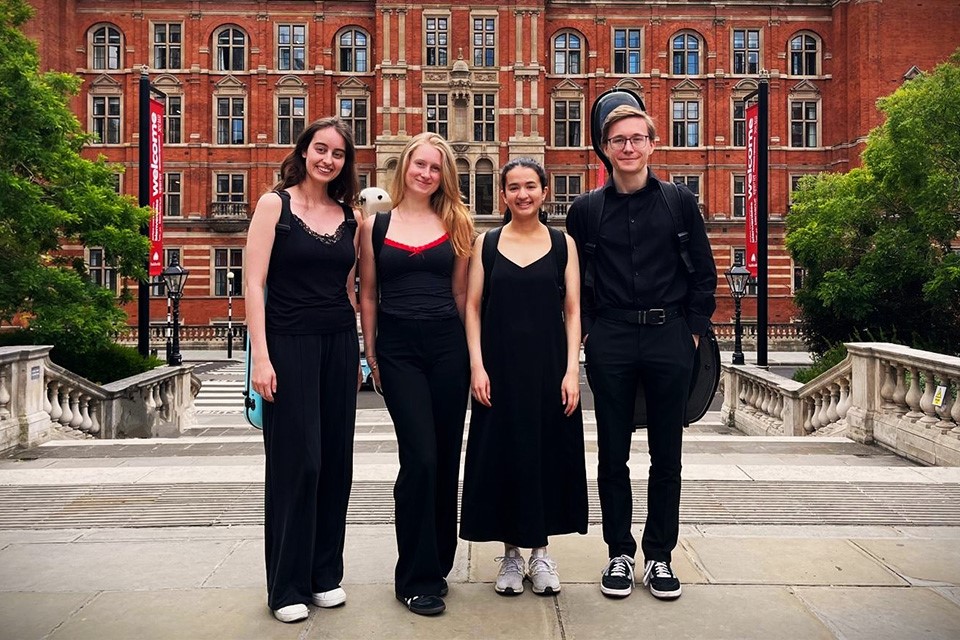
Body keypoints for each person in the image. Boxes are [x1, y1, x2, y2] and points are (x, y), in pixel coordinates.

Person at [565, 105, 717, 601]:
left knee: (666, 456)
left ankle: (659, 557)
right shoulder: (586, 210)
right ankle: (619, 553)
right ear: (605, 149)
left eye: (637, 139)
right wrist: (588, 333)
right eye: (618, 140)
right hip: (611, 338)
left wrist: (690, 334)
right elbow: (576, 285)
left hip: (668, 335)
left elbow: (704, 274)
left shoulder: (679, 202)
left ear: (653, 143)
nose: (628, 148)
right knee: (612, 455)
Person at [245, 117, 361, 623]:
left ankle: (323, 575)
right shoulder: (276, 205)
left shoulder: (350, 215)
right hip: (289, 344)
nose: (327, 160)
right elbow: (253, 284)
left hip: (337, 342)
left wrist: (359, 351)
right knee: (299, 464)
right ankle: (285, 584)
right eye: (320, 149)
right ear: (304, 151)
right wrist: (262, 357)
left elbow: (353, 292)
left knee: (336, 463)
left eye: (337, 154)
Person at [459, 158, 588, 596]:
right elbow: (473, 306)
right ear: (503, 194)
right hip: (499, 367)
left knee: (546, 456)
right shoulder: (486, 243)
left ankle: (541, 554)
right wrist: (477, 365)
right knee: (505, 457)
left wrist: (572, 369)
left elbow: (573, 310)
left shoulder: (564, 243)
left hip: (549, 366)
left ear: (544, 191)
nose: (522, 194)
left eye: (530, 186)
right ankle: (512, 556)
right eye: (513, 187)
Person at [358, 132, 474, 616]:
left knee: (446, 460)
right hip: (399, 349)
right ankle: (414, 576)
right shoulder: (375, 226)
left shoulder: (458, 222)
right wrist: (372, 353)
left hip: (449, 348)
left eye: (435, 167)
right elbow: (367, 293)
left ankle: (438, 565)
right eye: (419, 164)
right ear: (404, 167)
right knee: (421, 458)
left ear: (444, 175)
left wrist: (475, 360)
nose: (425, 173)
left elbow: (464, 297)